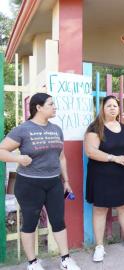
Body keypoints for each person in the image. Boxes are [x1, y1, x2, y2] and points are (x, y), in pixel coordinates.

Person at [0, 93, 80, 270]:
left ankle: (65, 259)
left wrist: (66, 181)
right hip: (29, 184)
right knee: (30, 222)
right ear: (39, 107)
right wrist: (18, 159)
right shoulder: (23, 129)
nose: (54, 107)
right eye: (51, 104)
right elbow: (1, 150)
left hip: (54, 184)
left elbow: (61, 157)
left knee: (58, 221)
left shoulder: (56, 129)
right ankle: (33, 263)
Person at [84, 95, 124, 262]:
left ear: (119, 109)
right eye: (108, 105)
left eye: (115, 106)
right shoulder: (95, 128)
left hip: (123, 175)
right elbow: (91, 152)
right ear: (102, 108)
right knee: (100, 210)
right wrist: (114, 158)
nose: (112, 108)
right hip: (101, 176)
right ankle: (99, 246)